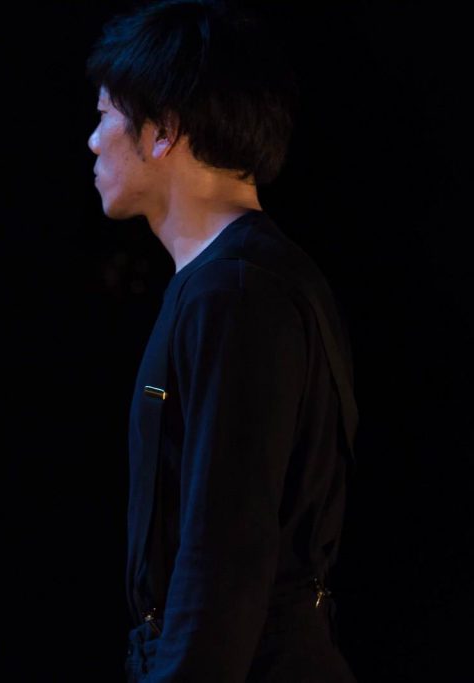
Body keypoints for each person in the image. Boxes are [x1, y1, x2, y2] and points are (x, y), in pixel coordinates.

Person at [86, 1, 359, 681]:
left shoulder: (236, 292)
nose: (92, 141)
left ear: (164, 131)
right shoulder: (233, 280)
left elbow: (226, 548)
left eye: (105, 115)